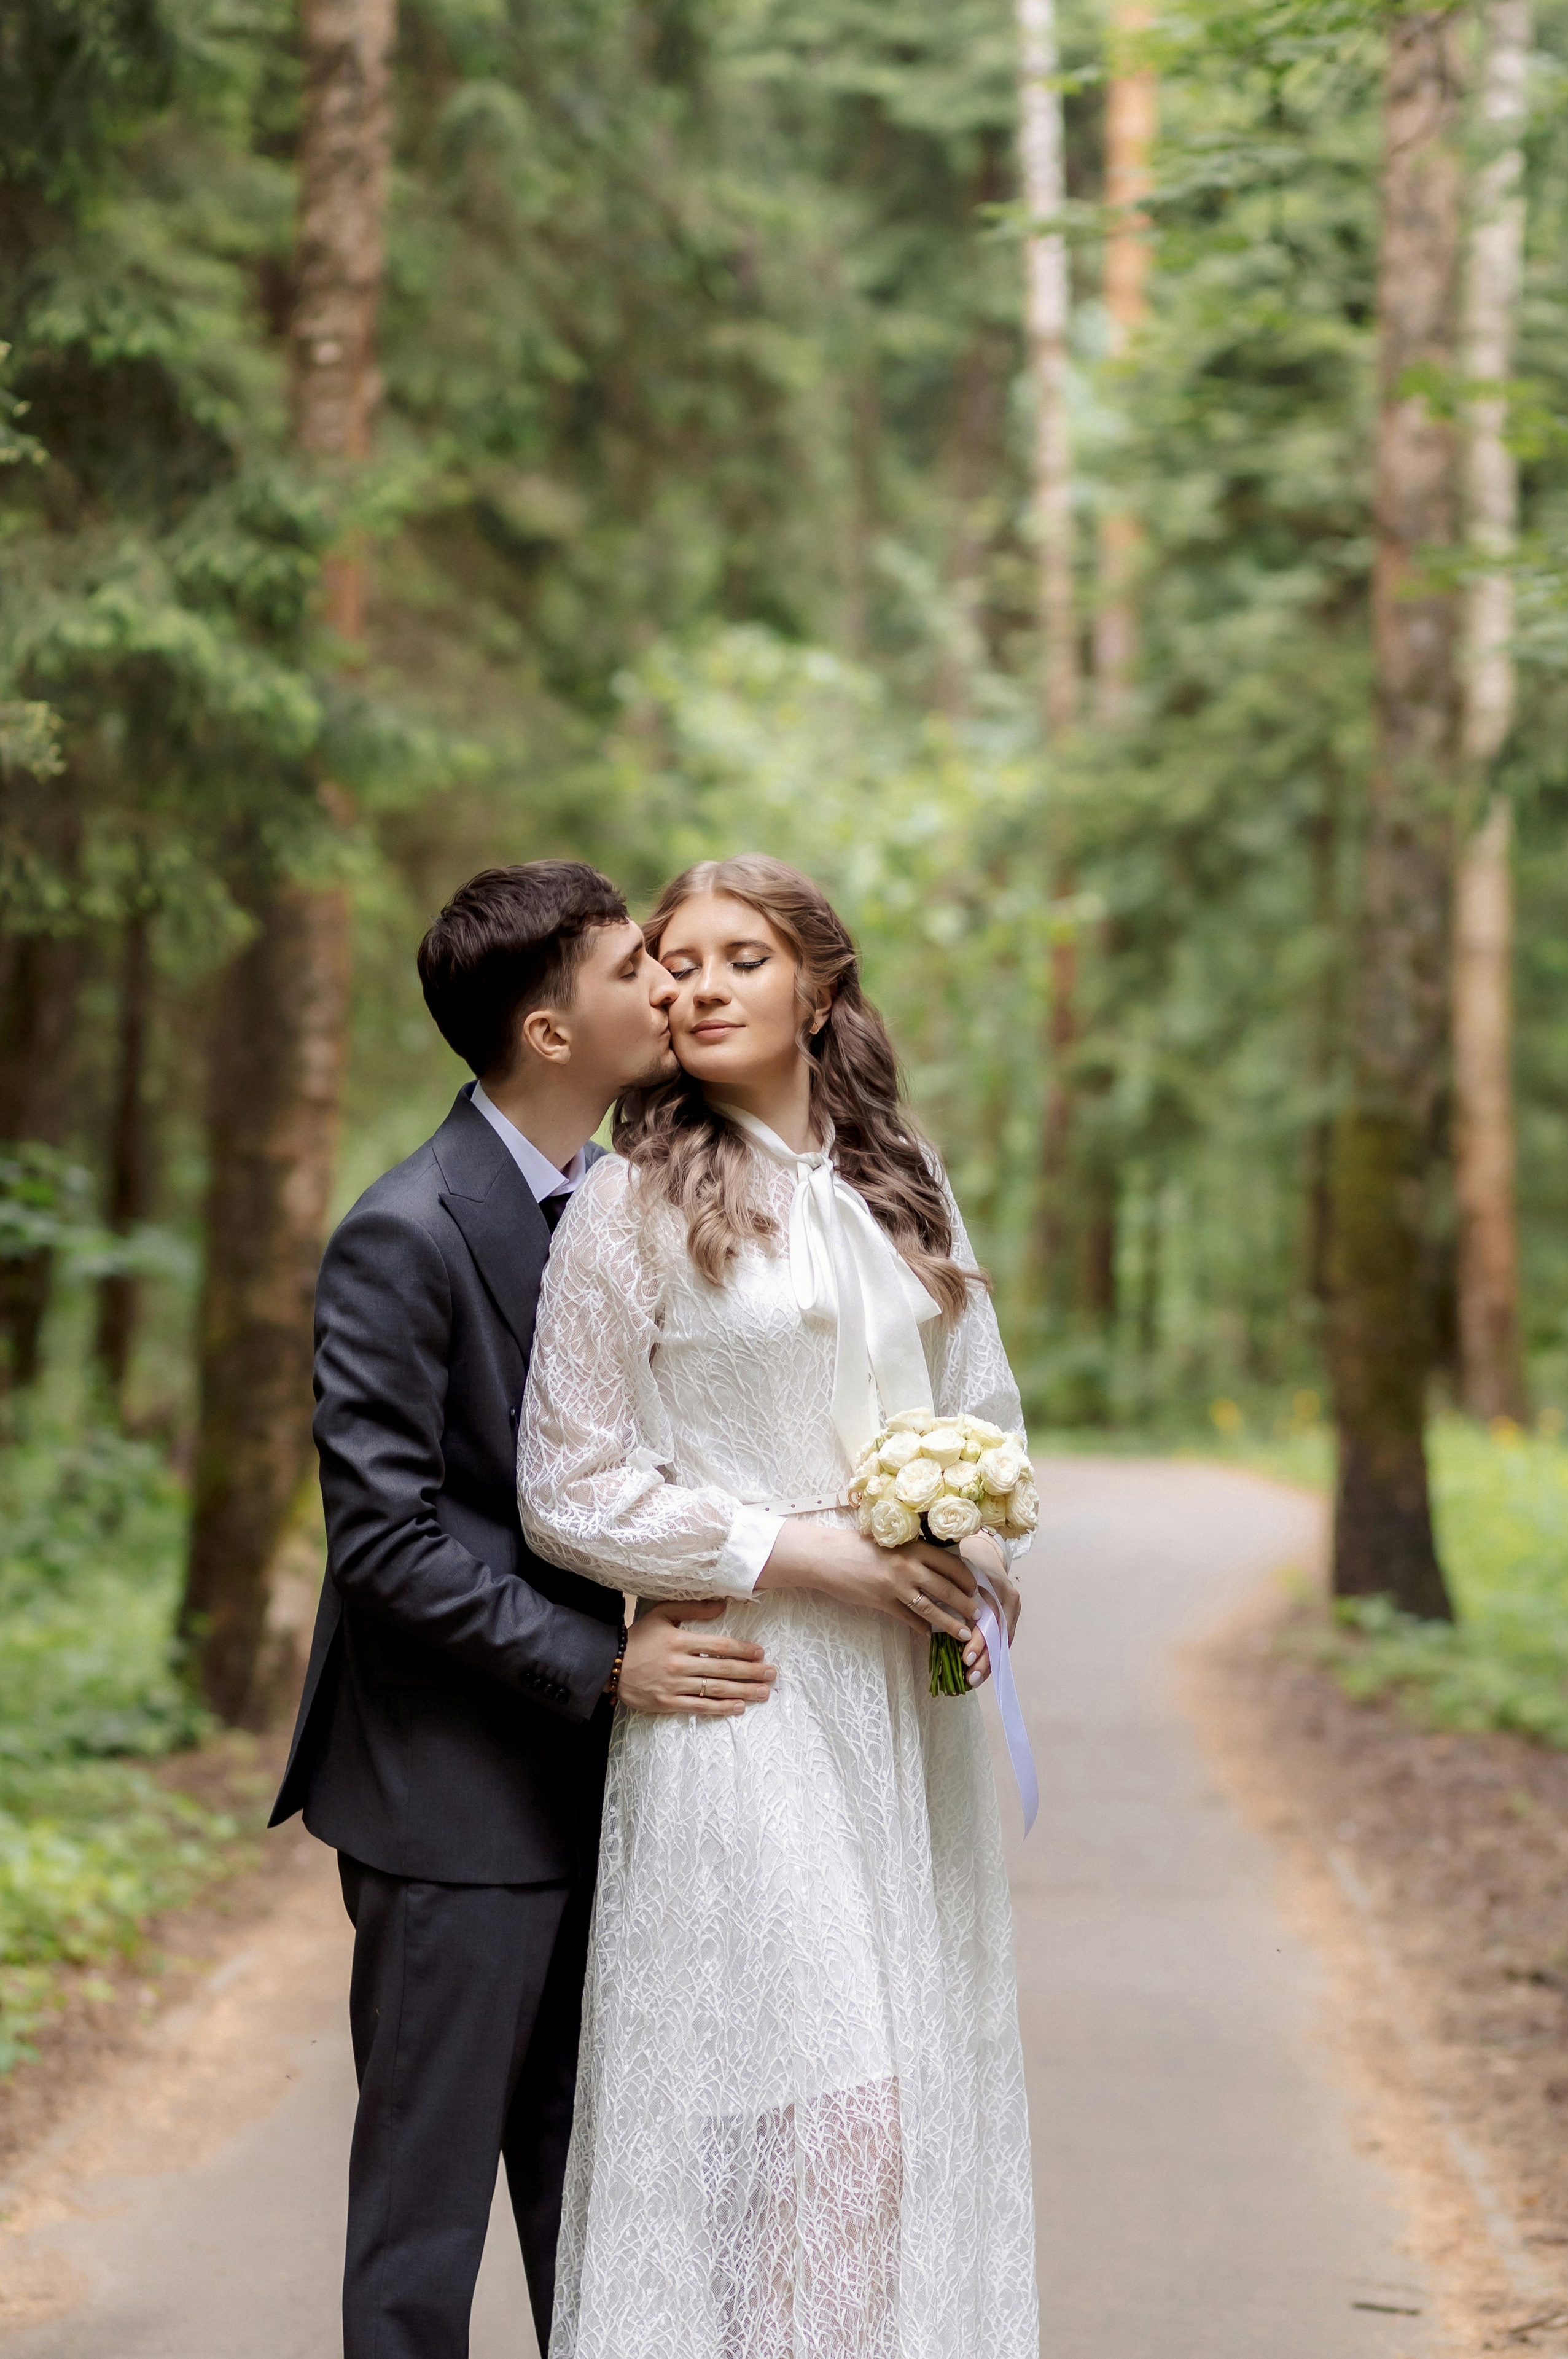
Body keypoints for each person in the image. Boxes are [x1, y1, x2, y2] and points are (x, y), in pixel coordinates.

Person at [518, 854, 1039, 2359]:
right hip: (744, 1697)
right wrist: (803, 1553)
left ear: (816, 988)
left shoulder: (900, 1179)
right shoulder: (627, 1205)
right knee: (818, 2113)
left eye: (738, 957)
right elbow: (569, 1483)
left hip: (897, 1715)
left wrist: (977, 1562)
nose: (692, 985)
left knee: (896, 2102)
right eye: (671, 963)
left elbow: (982, 1404)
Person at [269, 861, 779, 2359]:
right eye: (636, 970)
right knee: (423, 2231)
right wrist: (603, 1664)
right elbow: (385, 1539)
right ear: (550, 1032)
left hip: (615, 1793)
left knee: (604, 2209)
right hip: (448, 1801)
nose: (671, 991)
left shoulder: (633, 1207)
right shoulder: (404, 1231)